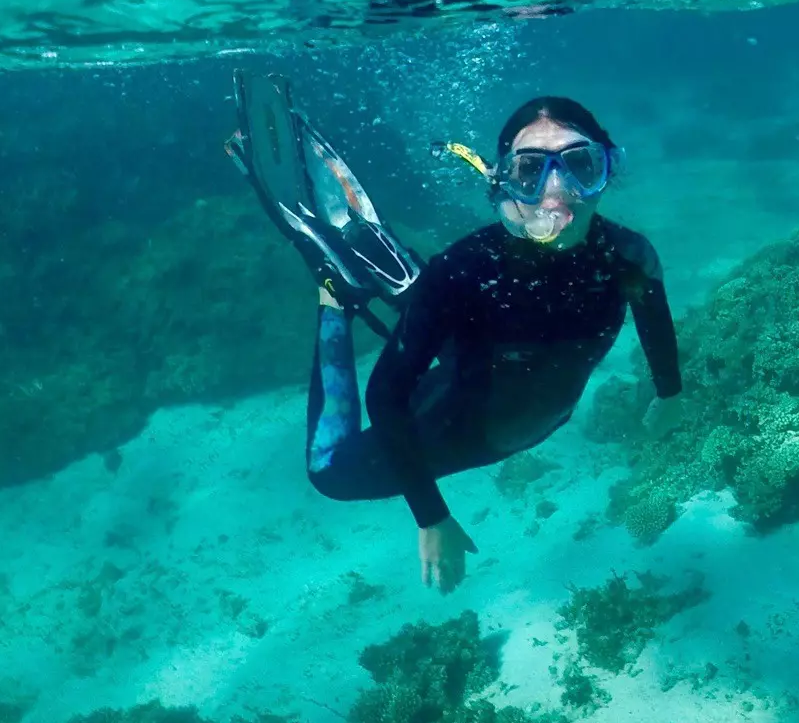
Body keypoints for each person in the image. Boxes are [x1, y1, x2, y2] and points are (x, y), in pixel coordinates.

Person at [228, 76, 682, 593]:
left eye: (580, 166)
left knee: (451, 316)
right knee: (329, 473)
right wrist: (431, 518)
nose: (557, 194)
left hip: (496, 359)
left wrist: (671, 394)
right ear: (504, 184)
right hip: (466, 417)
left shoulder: (630, 257)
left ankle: (404, 285)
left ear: (607, 170)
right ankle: (335, 301)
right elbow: (385, 394)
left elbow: (654, 321)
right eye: (531, 172)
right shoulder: (464, 270)